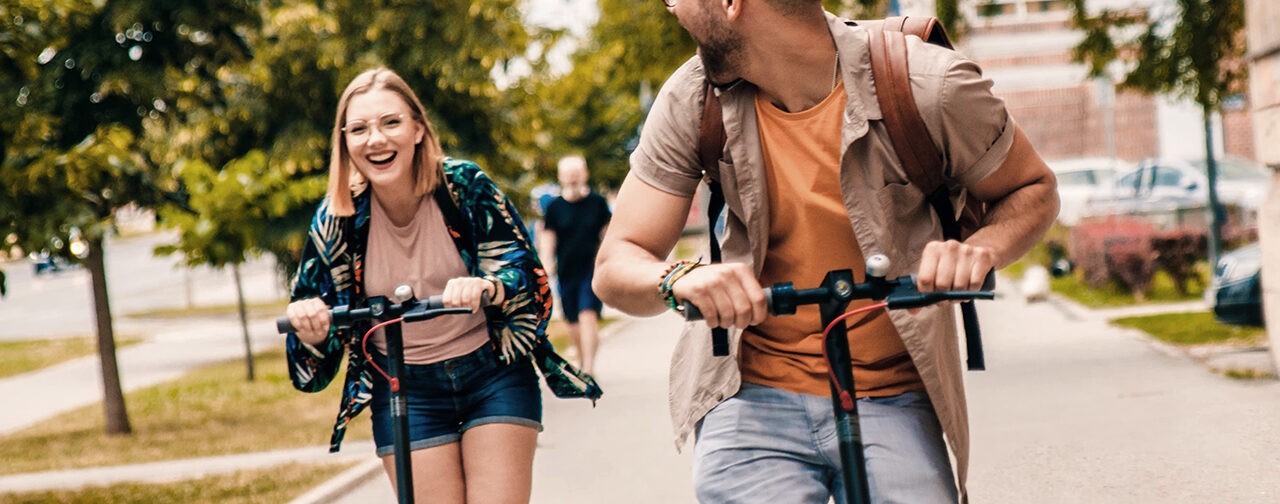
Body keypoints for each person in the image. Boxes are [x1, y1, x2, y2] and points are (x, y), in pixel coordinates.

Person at [592, 2, 1059, 503]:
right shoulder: (692, 98)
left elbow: (1033, 189)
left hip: (894, 395)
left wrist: (980, 249)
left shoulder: (927, 84)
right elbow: (617, 265)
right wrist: (677, 278)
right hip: (748, 397)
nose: (671, 7)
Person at [283, 67, 601, 503]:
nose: (375, 139)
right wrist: (311, 326)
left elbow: (528, 277)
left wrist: (487, 287)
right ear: (345, 142)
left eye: (390, 123)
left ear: (417, 129)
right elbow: (311, 359)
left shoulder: (463, 188)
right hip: (405, 387)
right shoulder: (337, 220)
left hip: (491, 373)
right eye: (359, 129)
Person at [538, 155, 612, 374]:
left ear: (584, 175)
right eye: (568, 173)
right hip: (566, 271)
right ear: (561, 177)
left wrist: (608, 259)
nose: (572, 177)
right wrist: (546, 263)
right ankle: (581, 360)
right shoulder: (554, 207)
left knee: (587, 314)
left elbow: (607, 234)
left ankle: (589, 367)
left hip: (592, 269)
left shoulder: (597, 203)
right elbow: (548, 238)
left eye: (576, 173)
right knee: (572, 321)